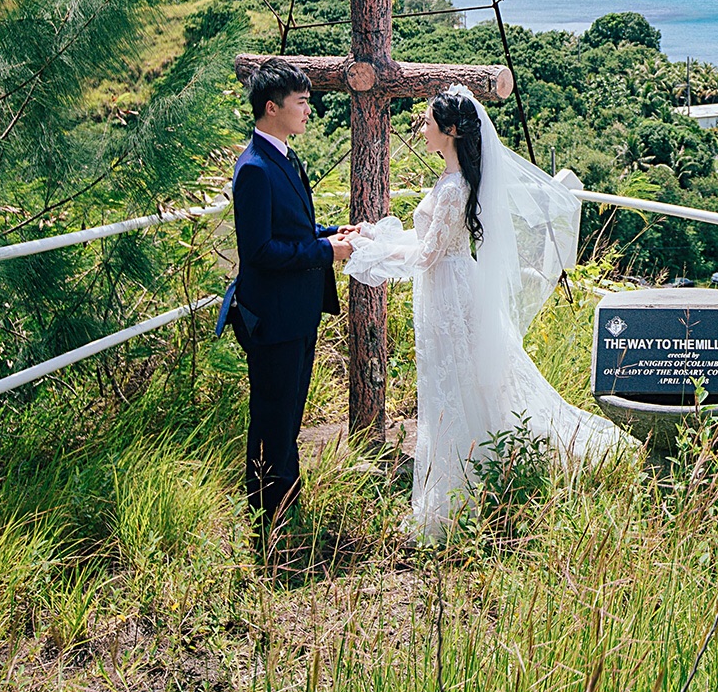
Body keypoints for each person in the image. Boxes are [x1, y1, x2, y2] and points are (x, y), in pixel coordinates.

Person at [346, 86, 632, 536]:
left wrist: (368, 250)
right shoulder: (450, 181)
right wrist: (375, 236)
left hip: (449, 294)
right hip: (451, 286)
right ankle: (477, 477)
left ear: (451, 130)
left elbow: (427, 256)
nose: (421, 130)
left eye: (426, 122)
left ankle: (459, 494)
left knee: (456, 383)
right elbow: (431, 245)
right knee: (455, 381)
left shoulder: (454, 186)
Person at [228, 60, 356, 522]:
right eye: (301, 103)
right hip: (274, 317)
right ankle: (268, 515)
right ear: (271, 107)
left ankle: (287, 503)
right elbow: (260, 250)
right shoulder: (255, 169)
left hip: (296, 313)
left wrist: (330, 232)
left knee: (288, 414)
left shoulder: (283, 154)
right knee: (272, 415)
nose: (308, 111)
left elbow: (293, 228)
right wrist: (326, 252)